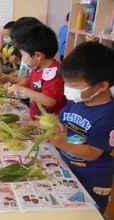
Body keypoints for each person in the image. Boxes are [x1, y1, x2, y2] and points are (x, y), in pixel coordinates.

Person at [48, 42, 114, 214]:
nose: (67, 89)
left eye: (74, 85)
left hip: (91, 179)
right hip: (68, 169)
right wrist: (56, 124)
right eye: (66, 84)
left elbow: (93, 152)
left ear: (101, 86)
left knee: (89, 213)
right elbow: (59, 119)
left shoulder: (108, 115)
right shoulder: (76, 102)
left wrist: (61, 144)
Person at [7, 24, 67, 120]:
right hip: (36, 118)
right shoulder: (37, 68)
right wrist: (14, 88)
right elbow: (27, 82)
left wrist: (22, 90)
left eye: (23, 55)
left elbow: (49, 101)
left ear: (38, 56)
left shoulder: (55, 73)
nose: (22, 59)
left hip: (50, 124)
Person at [0, 17, 42, 85]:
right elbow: (22, 70)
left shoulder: (35, 59)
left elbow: (31, 80)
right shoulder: (27, 53)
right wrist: (10, 77)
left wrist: (11, 79)